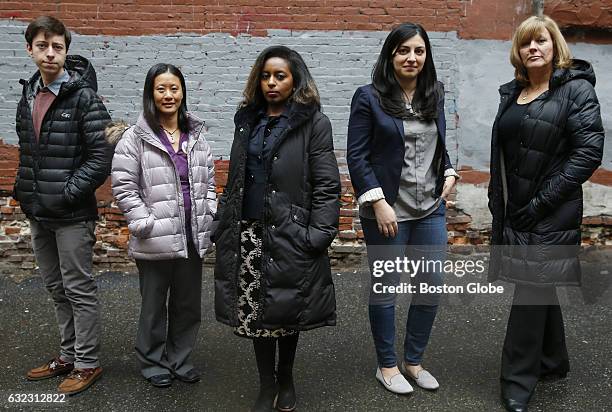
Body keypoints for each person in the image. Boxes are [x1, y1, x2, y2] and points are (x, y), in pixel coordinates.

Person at [487, 15, 604, 412]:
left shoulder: (575, 91)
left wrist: (540, 203)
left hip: (550, 209)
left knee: (530, 286)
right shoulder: (513, 93)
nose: (533, 48)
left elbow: (587, 153)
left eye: (541, 41)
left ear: (555, 46)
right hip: (516, 208)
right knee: (538, 281)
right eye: (525, 43)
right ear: (518, 53)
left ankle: (517, 380)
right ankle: (553, 361)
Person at [213, 46, 340, 411]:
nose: (271, 83)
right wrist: (223, 222)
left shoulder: (313, 123)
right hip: (248, 232)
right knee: (255, 312)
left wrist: (318, 234)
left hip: (290, 233)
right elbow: (236, 178)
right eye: (266, 76)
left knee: (286, 310)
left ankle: (286, 378)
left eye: (280, 76)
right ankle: (266, 384)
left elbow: (327, 184)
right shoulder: (247, 119)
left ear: (295, 79)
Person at [347, 22, 459, 395]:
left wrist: (449, 172)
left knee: (430, 287)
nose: (412, 57)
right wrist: (378, 203)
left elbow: (439, 146)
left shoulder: (435, 94)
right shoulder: (368, 97)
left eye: (419, 51)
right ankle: (387, 365)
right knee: (386, 289)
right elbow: (357, 157)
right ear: (390, 55)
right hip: (388, 213)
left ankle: (413, 361)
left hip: (430, 209)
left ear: (426, 56)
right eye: (403, 50)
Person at [14, 16, 112, 395]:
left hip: (71, 214)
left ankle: (87, 363)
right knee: (56, 287)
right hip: (38, 211)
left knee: (78, 288)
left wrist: (69, 191)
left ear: (66, 50)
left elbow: (102, 154)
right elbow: (30, 151)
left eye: (57, 46)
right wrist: (24, 191)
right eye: (42, 46)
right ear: (30, 49)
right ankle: (68, 355)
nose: (50, 53)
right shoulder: (28, 94)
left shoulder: (83, 97)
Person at [108, 63, 217, 388]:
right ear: (151, 94)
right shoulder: (135, 138)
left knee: (187, 305)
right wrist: (143, 222)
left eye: (174, 88)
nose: (168, 95)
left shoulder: (196, 136)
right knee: (154, 305)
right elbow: (123, 186)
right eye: (161, 89)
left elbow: (208, 180)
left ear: (182, 92)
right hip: (154, 237)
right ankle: (152, 360)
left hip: (192, 234)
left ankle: (179, 359)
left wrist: (209, 210)